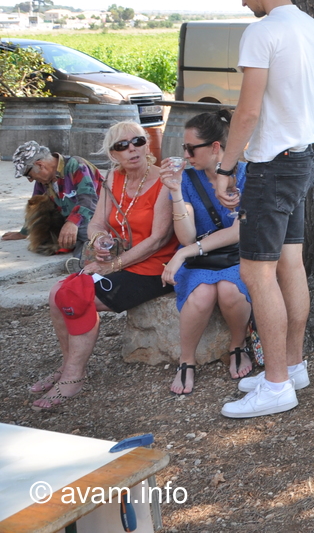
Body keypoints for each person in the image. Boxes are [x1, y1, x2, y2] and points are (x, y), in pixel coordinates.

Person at [214, 0, 314, 419]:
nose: (242, 1)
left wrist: (226, 168)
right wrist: (301, 99)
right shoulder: (310, 26)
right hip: (301, 160)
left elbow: (247, 112)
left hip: (272, 167)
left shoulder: (263, 31)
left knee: (257, 273)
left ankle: (275, 386)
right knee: (290, 264)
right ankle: (292, 367)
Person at [30, 121, 178, 409]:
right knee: (56, 293)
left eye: (137, 141)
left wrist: (113, 265)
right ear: (113, 154)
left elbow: (158, 239)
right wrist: (99, 240)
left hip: (152, 267)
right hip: (121, 261)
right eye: (122, 145)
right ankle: (68, 365)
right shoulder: (112, 178)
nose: (132, 149)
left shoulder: (162, 181)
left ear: (147, 144)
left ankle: (74, 377)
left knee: (77, 296)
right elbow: (97, 223)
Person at [158, 110, 252, 395]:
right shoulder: (187, 179)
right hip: (201, 259)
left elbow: (239, 231)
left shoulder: (246, 175)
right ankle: (186, 360)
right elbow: (186, 236)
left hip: (237, 254)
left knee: (229, 290)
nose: (185, 155)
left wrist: (182, 254)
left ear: (214, 147)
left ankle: (238, 345)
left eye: (191, 148)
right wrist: (175, 192)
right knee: (201, 295)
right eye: (183, 148)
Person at [3, 141, 102, 256]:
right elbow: (34, 208)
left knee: (85, 231)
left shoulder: (76, 165)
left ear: (40, 165)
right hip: (71, 219)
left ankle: (85, 255)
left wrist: (72, 223)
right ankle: (80, 246)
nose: (30, 180)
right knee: (46, 235)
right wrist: (24, 232)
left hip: (96, 217)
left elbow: (89, 201)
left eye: (28, 175)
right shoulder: (43, 180)